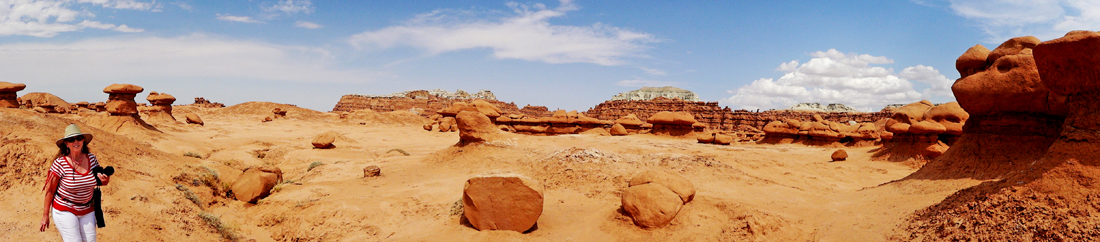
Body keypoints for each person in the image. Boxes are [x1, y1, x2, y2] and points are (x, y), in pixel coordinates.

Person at [40, 124, 110, 242]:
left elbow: (100, 181)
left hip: (87, 209)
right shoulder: (60, 163)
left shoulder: (92, 159)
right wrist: (45, 215)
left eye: (78, 138)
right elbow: (50, 190)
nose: (75, 141)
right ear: (66, 143)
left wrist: (105, 180)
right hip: (65, 209)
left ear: (83, 141)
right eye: (71, 139)